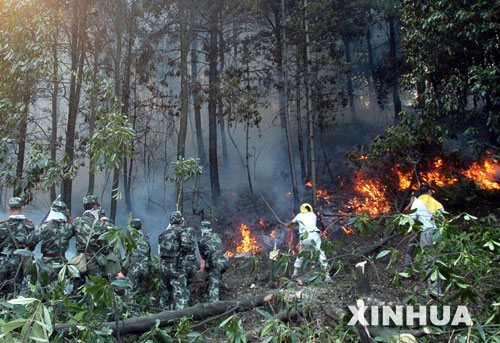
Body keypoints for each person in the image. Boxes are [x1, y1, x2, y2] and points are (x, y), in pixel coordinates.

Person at [404, 184, 445, 296]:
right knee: (434, 259)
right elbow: (443, 219)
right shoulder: (437, 203)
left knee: (428, 259)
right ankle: (428, 285)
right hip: (438, 233)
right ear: (430, 192)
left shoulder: (417, 203)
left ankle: (434, 290)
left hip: (426, 233)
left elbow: (412, 219)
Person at [28, 200, 75, 285]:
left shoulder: (45, 227)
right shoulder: (68, 227)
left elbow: (30, 242)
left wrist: (36, 230)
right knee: (59, 290)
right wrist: (68, 216)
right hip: (62, 264)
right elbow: (71, 226)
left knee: (42, 289)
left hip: (47, 263)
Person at [287, 203, 331, 282]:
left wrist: (288, 225)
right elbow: (308, 225)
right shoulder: (313, 215)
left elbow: (290, 224)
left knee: (301, 254)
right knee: (321, 253)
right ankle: (327, 275)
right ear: (309, 209)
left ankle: (295, 272)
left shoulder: (299, 215)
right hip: (314, 235)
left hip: (304, 237)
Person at [0, 197, 35, 298]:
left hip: (3, 261)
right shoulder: (28, 225)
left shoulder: (2, 226)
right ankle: (12, 312)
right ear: (22, 208)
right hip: (19, 262)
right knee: (14, 290)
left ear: (8, 208)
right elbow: (31, 247)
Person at [73, 195, 108, 281]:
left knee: (78, 289)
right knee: (95, 290)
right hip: (94, 262)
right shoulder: (100, 225)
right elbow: (105, 248)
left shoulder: (77, 222)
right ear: (95, 206)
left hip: (79, 262)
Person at [158, 211, 188, 310]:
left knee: (165, 292)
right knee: (179, 292)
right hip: (175, 265)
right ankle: (181, 319)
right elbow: (188, 246)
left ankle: (163, 317)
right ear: (180, 221)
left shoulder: (163, 233)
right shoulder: (181, 232)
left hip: (163, 266)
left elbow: (159, 250)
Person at [198, 220, 228, 302]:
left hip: (216, 261)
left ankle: (215, 306)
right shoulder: (216, 236)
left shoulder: (202, 240)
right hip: (225, 260)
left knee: (213, 284)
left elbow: (203, 256)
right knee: (216, 274)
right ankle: (220, 287)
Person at [126, 218, 152, 297]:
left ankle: (132, 308)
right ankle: (142, 308)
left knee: (130, 290)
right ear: (141, 227)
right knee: (142, 291)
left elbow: (127, 253)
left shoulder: (129, 239)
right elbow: (148, 253)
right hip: (144, 267)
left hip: (133, 268)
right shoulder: (145, 238)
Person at [181, 226, 205, 304]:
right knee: (190, 285)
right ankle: (191, 301)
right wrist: (201, 263)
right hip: (193, 267)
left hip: (184, 266)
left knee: (184, 285)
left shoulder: (182, 241)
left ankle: (185, 302)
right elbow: (197, 255)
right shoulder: (193, 242)